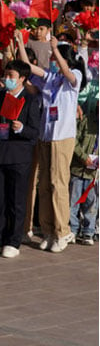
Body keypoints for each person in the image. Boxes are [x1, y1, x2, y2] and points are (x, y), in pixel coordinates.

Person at [20, 33, 85, 252]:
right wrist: (20, 43)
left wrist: (56, 49)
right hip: (45, 136)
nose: (53, 63)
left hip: (62, 137)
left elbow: (67, 71)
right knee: (45, 184)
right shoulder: (50, 79)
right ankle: (48, 230)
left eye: (56, 60)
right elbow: (28, 67)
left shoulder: (73, 77)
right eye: (53, 60)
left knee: (58, 184)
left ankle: (63, 231)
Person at [0, 60, 41, 258]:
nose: (7, 79)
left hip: (18, 156)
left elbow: (34, 132)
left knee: (16, 200)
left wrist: (21, 128)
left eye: (12, 76)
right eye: (6, 75)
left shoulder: (30, 100)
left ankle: (13, 240)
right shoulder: (0, 95)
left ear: (22, 78)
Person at [69, 103, 98, 244]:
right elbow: (73, 140)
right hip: (78, 168)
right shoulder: (85, 120)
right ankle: (72, 230)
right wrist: (82, 156)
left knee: (91, 203)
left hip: (94, 174)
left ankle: (88, 232)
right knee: (72, 201)